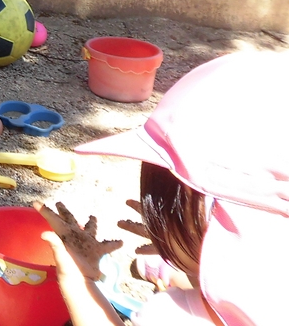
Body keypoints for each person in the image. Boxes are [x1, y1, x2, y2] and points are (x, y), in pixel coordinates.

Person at [35, 50, 289, 326]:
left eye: (168, 208)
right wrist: (188, 247)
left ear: (210, 220)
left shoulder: (172, 316)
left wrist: (79, 279)